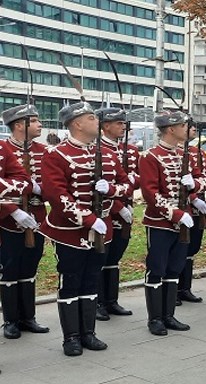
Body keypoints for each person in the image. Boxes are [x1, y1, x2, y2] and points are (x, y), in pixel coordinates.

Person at [41, 102, 132, 356]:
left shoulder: (109, 155)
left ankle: (88, 333)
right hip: (70, 232)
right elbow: (57, 195)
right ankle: (71, 337)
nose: (97, 121)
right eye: (92, 118)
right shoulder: (56, 155)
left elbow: (126, 186)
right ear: (77, 123)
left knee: (91, 280)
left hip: (103, 230)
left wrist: (111, 192)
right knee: (71, 281)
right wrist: (89, 219)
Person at [139, 111, 204, 335]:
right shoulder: (150, 156)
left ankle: (169, 315)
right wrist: (175, 214)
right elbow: (150, 193)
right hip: (160, 222)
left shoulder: (188, 155)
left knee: (174, 269)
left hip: (184, 222)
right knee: (156, 269)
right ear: (170, 129)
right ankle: (155, 318)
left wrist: (195, 183)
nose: (188, 129)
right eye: (183, 125)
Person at [0, 104, 49, 339]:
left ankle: (28, 317)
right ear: (19, 125)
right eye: (35, 120)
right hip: (7, 219)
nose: (40, 124)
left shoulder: (44, 151)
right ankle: (10, 320)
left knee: (30, 266)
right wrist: (13, 209)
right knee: (10, 268)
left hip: (37, 217)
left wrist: (44, 190)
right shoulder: (4, 149)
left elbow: (55, 183)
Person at [94, 108, 137, 321]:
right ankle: (98, 301)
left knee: (115, 257)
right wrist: (118, 206)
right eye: (118, 123)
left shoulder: (130, 150)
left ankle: (111, 300)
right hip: (107, 211)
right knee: (101, 257)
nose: (123, 126)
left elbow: (134, 180)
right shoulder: (98, 149)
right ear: (106, 125)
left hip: (126, 207)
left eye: (123, 123)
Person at [177, 130, 206, 305]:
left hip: (198, 207)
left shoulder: (198, 153)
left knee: (192, 247)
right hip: (182, 206)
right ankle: (173, 289)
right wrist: (192, 198)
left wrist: (199, 195)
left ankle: (185, 288)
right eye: (188, 126)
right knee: (179, 248)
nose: (193, 130)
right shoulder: (172, 153)